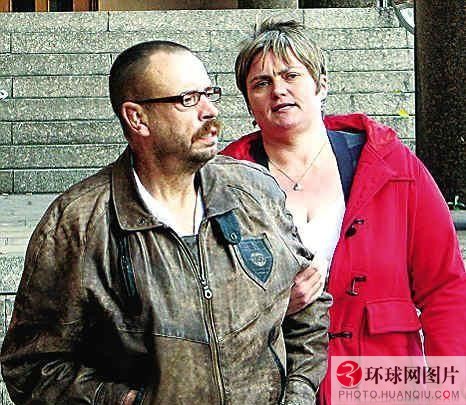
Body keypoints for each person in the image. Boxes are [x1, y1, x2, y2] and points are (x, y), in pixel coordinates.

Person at [0, 40, 331, 405]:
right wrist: (124, 401)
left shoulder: (254, 191)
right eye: (188, 99)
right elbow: (32, 367)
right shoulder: (78, 224)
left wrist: (297, 394)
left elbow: (310, 310)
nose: (210, 111)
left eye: (209, 94)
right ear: (137, 118)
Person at [221, 19, 466, 404]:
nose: (278, 90)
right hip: (273, 384)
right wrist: (271, 304)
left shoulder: (390, 164)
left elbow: (445, 287)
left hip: (382, 385)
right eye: (261, 83)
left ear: (320, 85)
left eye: (291, 75)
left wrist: (450, 392)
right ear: (249, 102)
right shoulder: (222, 183)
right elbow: (202, 300)